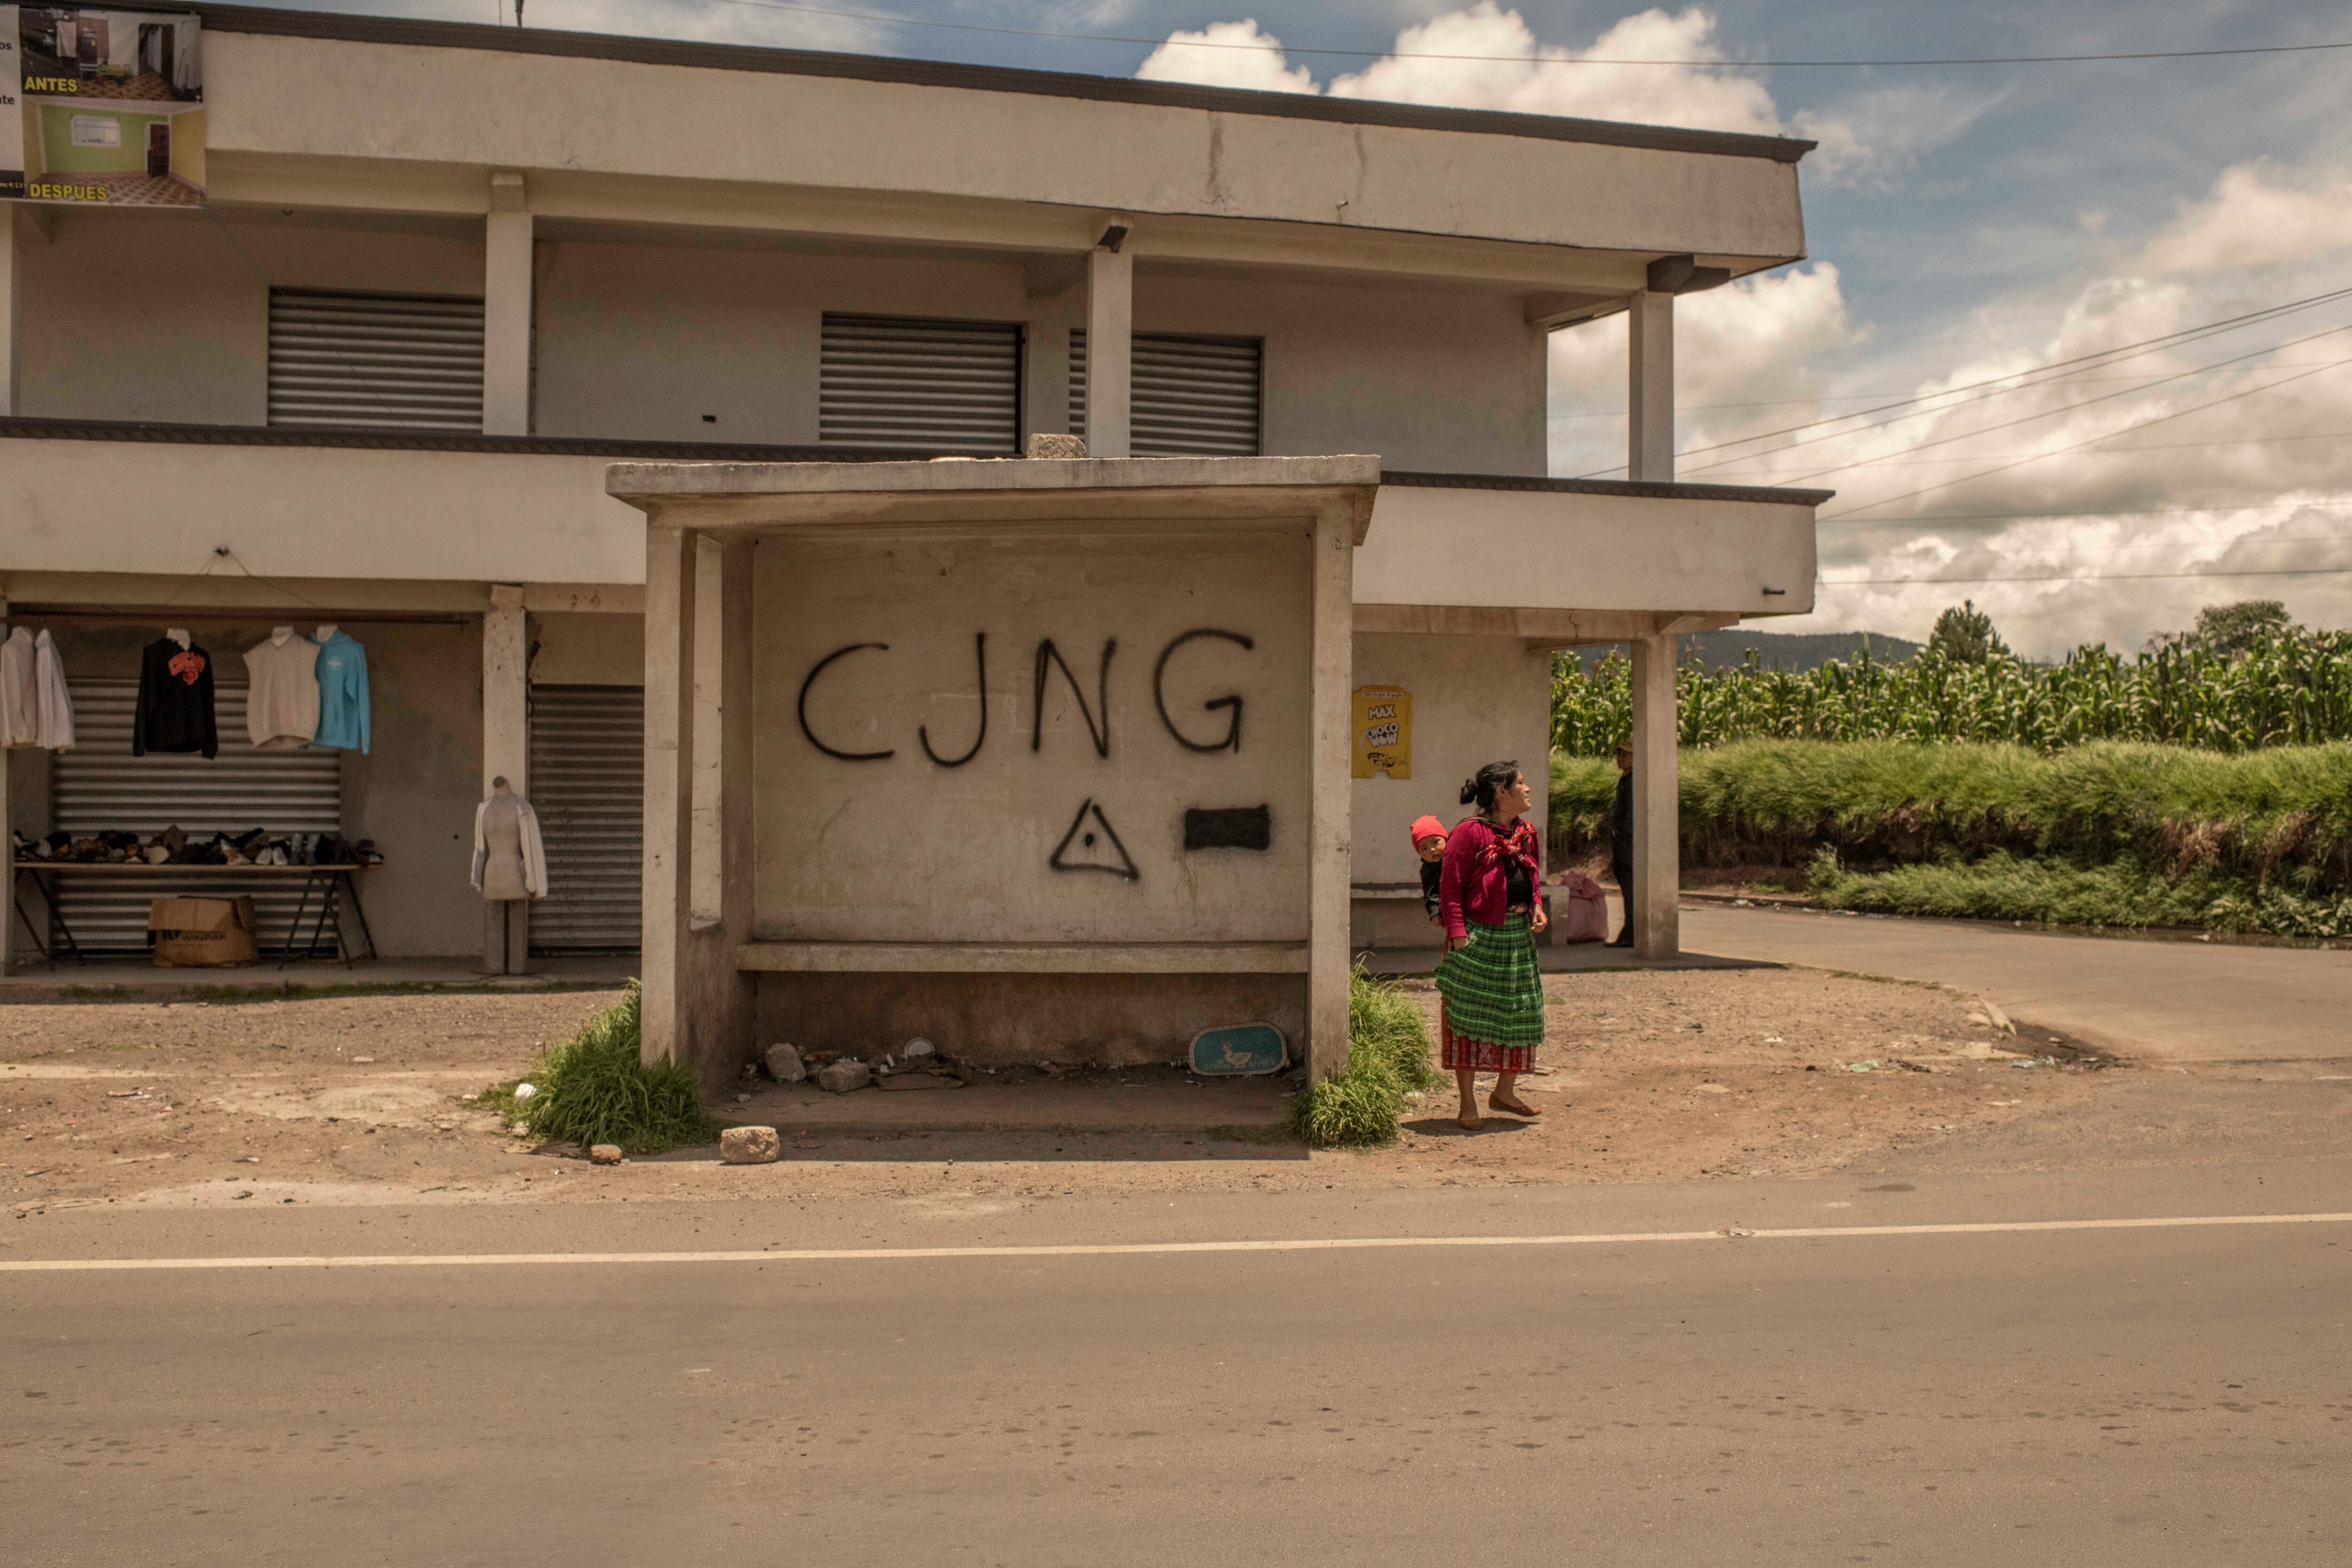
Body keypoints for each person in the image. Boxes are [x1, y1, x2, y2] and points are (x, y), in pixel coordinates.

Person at [1435, 760, 1549, 1131]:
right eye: (1521, 782)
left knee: (1520, 1013)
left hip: (1517, 934)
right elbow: (1450, 888)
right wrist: (1459, 936)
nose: (1528, 788)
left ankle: (1504, 1092)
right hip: (1478, 937)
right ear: (1502, 792)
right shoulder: (1468, 834)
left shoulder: (1527, 833)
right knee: (1468, 1017)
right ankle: (1468, 1103)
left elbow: (1532, 876)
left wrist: (1536, 907)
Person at [1608, 740, 1636, 947]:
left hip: (1627, 843)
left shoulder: (1634, 782)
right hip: (1622, 842)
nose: (1621, 759)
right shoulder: (1625, 780)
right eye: (1619, 755)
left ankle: (1630, 934)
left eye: (1625, 755)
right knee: (1627, 890)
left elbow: (1630, 815)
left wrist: (1623, 836)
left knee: (1630, 890)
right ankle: (1629, 932)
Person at [1409, 814, 1449, 928]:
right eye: (1424, 848)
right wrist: (1435, 912)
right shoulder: (1429, 870)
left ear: (1446, 840)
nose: (1432, 850)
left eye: (1436, 842)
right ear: (1420, 854)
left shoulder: (1456, 857)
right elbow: (1430, 892)